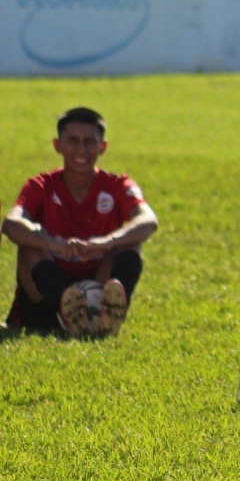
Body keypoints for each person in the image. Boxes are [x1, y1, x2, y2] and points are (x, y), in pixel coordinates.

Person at [3, 107, 158, 337]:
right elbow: (10, 224)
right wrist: (53, 244)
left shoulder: (118, 185)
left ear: (102, 147)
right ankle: (70, 314)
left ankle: (103, 315)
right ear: (58, 145)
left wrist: (107, 241)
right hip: (44, 298)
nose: (81, 150)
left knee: (131, 242)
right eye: (73, 141)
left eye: (89, 142)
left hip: (97, 285)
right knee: (29, 243)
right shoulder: (40, 186)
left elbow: (149, 220)